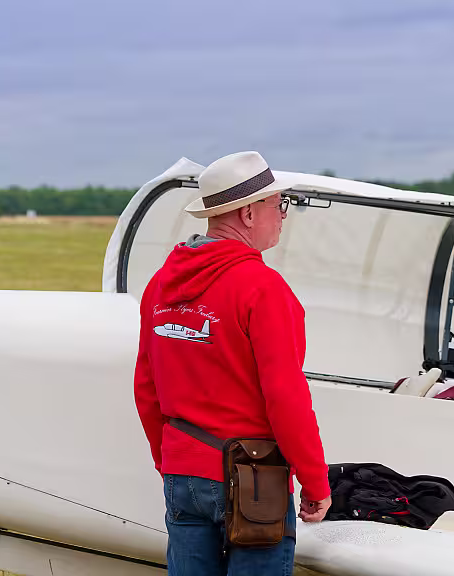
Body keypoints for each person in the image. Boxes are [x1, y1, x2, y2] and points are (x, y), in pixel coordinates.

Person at [134, 151, 332, 576]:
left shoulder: (160, 285)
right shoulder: (263, 288)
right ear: (248, 213)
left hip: (182, 471)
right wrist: (315, 480)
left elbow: (146, 387)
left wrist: (172, 462)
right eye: (278, 204)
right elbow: (286, 397)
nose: (283, 215)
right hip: (253, 479)